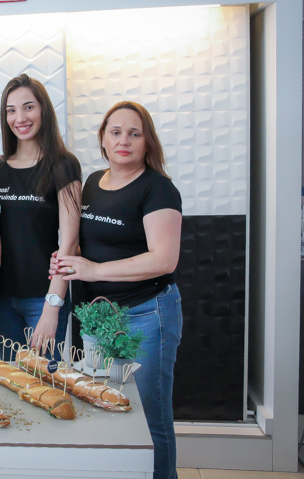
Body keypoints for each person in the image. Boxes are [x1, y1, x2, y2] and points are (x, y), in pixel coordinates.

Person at [50, 101, 182, 479]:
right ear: (103, 139)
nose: (124, 140)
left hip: (145, 314)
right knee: (105, 408)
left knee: (150, 416)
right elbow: (87, 243)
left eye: (134, 134)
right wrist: (67, 259)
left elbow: (164, 259)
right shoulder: (93, 182)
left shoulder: (158, 188)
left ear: (147, 142)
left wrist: (95, 269)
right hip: (97, 318)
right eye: (116, 132)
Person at [0, 74, 81, 360]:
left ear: (43, 110)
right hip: (2, 298)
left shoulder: (63, 165)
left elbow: (69, 243)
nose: (20, 118)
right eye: (11, 110)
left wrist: (52, 306)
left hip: (43, 297)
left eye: (28, 107)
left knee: (45, 383)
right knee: (11, 380)